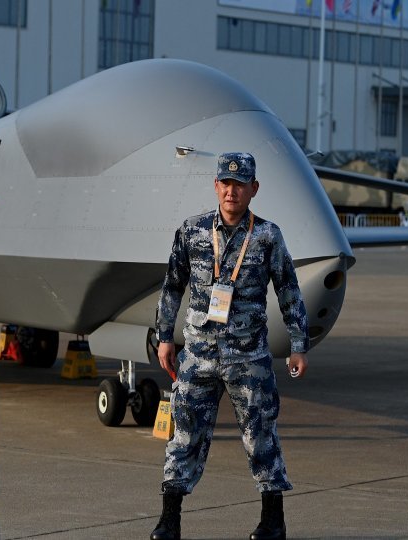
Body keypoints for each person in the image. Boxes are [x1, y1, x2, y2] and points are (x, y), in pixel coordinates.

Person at [151, 152, 309, 540]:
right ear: (216, 185)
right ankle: (169, 520)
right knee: (183, 436)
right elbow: (172, 285)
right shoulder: (192, 231)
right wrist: (163, 337)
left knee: (261, 436)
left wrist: (298, 345)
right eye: (225, 183)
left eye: (240, 184)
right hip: (198, 355)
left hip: (249, 358)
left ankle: (273, 521)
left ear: (253, 189)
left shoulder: (268, 236)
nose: (231, 191)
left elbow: (288, 289)